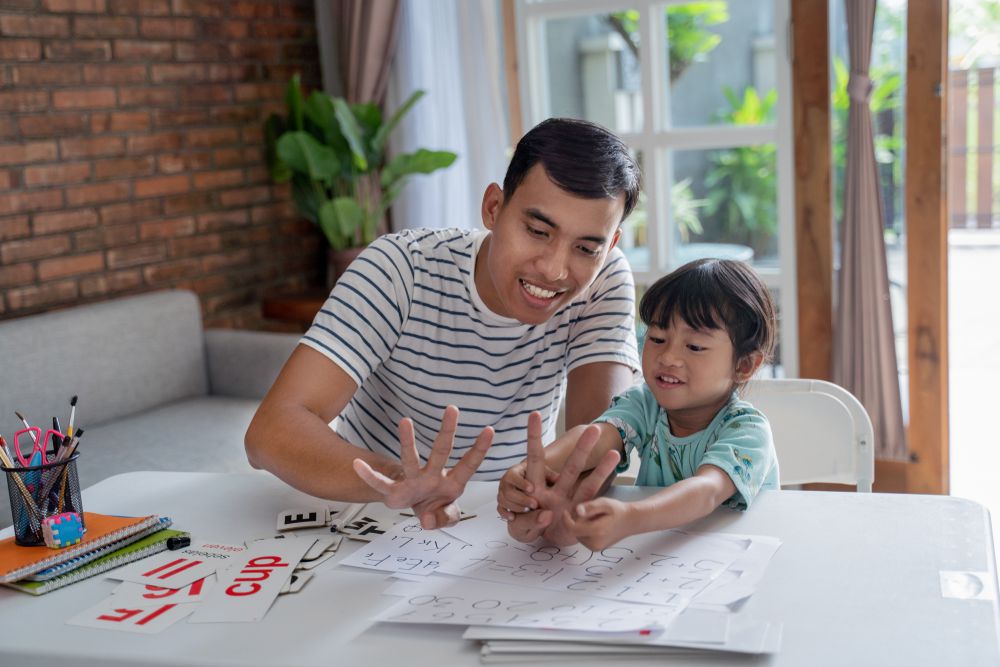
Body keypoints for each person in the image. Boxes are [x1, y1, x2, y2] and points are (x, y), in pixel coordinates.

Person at [245, 118, 642, 530]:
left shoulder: (605, 279)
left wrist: (549, 493)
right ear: (493, 208)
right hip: (376, 515)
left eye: (585, 248)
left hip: (505, 527)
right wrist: (402, 481)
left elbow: (599, 437)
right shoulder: (401, 268)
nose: (555, 270)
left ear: (609, 245)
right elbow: (270, 432)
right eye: (538, 231)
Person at [497, 258, 779, 550]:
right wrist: (531, 472)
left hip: (735, 556)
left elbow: (706, 492)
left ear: (744, 365)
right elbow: (595, 437)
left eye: (694, 346)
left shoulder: (747, 430)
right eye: (657, 338)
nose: (667, 357)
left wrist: (630, 518)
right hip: (664, 556)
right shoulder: (646, 403)